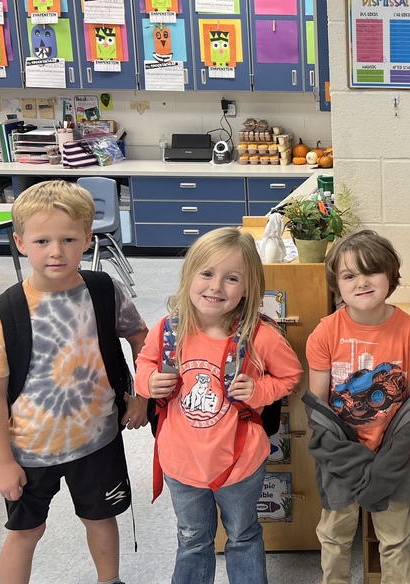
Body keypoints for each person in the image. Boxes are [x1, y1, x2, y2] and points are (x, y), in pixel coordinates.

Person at [0, 180, 149, 584]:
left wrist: (141, 396)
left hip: (98, 439)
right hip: (30, 450)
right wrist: (2, 462)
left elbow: (141, 339)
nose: (56, 251)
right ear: (20, 242)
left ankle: (111, 581)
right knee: (25, 531)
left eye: (69, 239)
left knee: (101, 518)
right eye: (42, 241)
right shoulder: (5, 312)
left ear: (88, 239)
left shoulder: (104, 290)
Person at [135, 227, 303, 584]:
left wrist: (258, 391)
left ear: (248, 288)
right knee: (193, 538)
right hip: (180, 461)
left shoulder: (260, 336)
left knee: (242, 535)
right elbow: (143, 366)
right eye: (207, 273)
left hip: (239, 463)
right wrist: (148, 382)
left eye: (231, 278)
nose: (216, 286)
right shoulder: (167, 330)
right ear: (189, 275)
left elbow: (290, 376)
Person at [304, 229, 410, 584]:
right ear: (336, 285)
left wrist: (387, 460)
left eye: (371, 271)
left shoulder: (408, 330)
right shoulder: (325, 333)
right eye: (349, 275)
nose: (361, 282)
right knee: (335, 535)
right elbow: (320, 409)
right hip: (340, 455)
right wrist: (352, 459)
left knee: (396, 538)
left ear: (390, 275)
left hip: (394, 455)